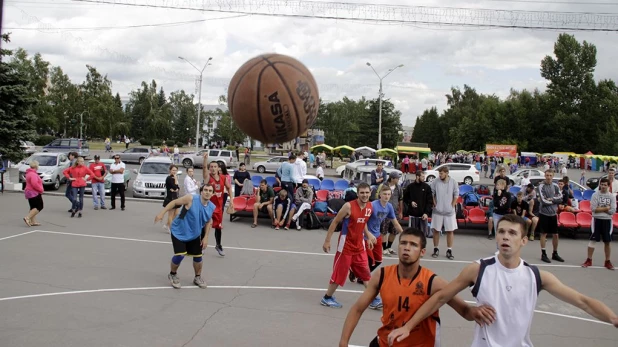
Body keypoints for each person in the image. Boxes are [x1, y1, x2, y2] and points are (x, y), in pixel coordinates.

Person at [387, 214, 618, 346]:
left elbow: (583, 301)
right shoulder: (479, 270)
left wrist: (612, 318)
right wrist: (408, 326)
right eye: (501, 232)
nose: (505, 237)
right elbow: (440, 298)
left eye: (512, 233)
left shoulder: (537, 276)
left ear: (524, 241)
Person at [339, 228, 493, 347]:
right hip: (388, 341)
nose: (407, 248)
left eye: (413, 245)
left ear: (422, 252)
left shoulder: (433, 282)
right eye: (403, 243)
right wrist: (343, 342)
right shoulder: (382, 275)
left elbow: (464, 311)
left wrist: (474, 312)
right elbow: (357, 309)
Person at [321, 182, 378, 309]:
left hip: (359, 245)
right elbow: (335, 222)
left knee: (365, 272)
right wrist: (327, 240)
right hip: (346, 244)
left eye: (367, 193)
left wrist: (368, 236)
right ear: (357, 194)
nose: (364, 195)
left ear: (370, 193)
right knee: (340, 273)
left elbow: (363, 223)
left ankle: (373, 299)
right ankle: (327, 298)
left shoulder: (369, 206)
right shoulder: (348, 206)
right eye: (362, 193)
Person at [155, 184, 216, 289]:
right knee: (180, 255)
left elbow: (208, 221)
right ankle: (173, 274)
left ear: (213, 193)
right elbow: (174, 202)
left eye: (210, 191)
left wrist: (205, 237)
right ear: (201, 192)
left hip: (194, 234)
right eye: (205, 190)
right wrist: (162, 213)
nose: (207, 192)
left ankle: (197, 277)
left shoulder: (211, 207)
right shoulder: (191, 198)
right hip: (179, 231)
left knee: (198, 257)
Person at [350, 188, 404, 286]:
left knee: (378, 260)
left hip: (377, 235)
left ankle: (357, 273)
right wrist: (368, 235)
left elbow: (395, 223)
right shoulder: (372, 205)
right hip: (367, 236)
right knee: (370, 260)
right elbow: (364, 221)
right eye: (385, 194)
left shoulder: (389, 207)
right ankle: (362, 276)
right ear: (380, 195)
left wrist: (404, 235)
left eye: (388, 194)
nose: (387, 196)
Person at [202, 152, 233, 257]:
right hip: (208, 206)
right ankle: (202, 245)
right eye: (211, 167)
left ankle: (218, 245)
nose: (213, 168)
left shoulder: (223, 178)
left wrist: (231, 200)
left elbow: (229, 188)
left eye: (215, 166)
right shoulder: (208, 178)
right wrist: (205, 160)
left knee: (218, 228)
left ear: (218, 168)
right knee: (205, 226)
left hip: (219, 207)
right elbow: (204, 171)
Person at [582, 177, 615, 270]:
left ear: (608, 186)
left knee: (607, 242)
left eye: (605, 185)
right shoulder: (595, 195)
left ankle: (607, 261)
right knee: (592, 240)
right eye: (602, 184)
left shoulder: (611, 196)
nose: (603, 186)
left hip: (607, 221)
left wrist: (601, 208)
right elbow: (593, 209)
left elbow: (612, 211)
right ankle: (589, 260)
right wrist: (606, 208)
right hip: (596, 220)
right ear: (599, 185)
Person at [429, 166, 459, 260]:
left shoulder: (453, 182)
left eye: (441, 173)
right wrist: (434, 202)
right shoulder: (435, 182)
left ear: (446, 173)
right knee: (436, 230)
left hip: (449, 212)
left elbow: (456, 194)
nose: (440, 175)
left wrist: (452, 205)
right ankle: (436, 249)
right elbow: (432, 193)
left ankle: (449, 250)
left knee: (450, 231)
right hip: (437, 211)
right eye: (439, 173)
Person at [538, 169, 564, 263]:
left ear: (553, 176)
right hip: (544, 213)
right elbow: (543, 200)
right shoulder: (541, 186)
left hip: (553, 213)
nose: (548, 177)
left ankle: (555, 253)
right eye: (547, 175)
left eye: (550, 175)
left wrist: (552, 199)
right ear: (545, 176)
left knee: (556, 235)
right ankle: (543, 254)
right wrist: (554, 200)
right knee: (543, 234)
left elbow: (560, 198)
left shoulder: (556, 186)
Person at [23, 160, 44, 227]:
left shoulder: (29, 173)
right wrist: (41, 190)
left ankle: (33, 221)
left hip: (29, 192)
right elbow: (34, 184)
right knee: (39, 206)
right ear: (36, 166)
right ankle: (28, 218)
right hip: (34, 192)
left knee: (33, 207)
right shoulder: (33, 174)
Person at [162, 165, 181, 232]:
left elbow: (177, 187)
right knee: (171, 214)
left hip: (175, 197)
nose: (174, 171)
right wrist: (175, 180)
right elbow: (174, 186)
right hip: (170, 198)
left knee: (176, 213)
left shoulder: (174, 178)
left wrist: (176, 189)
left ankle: (167, 225)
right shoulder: (169, 178)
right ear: (170, 170)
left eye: (176, 170)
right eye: (173, 170)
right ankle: (170, 228)